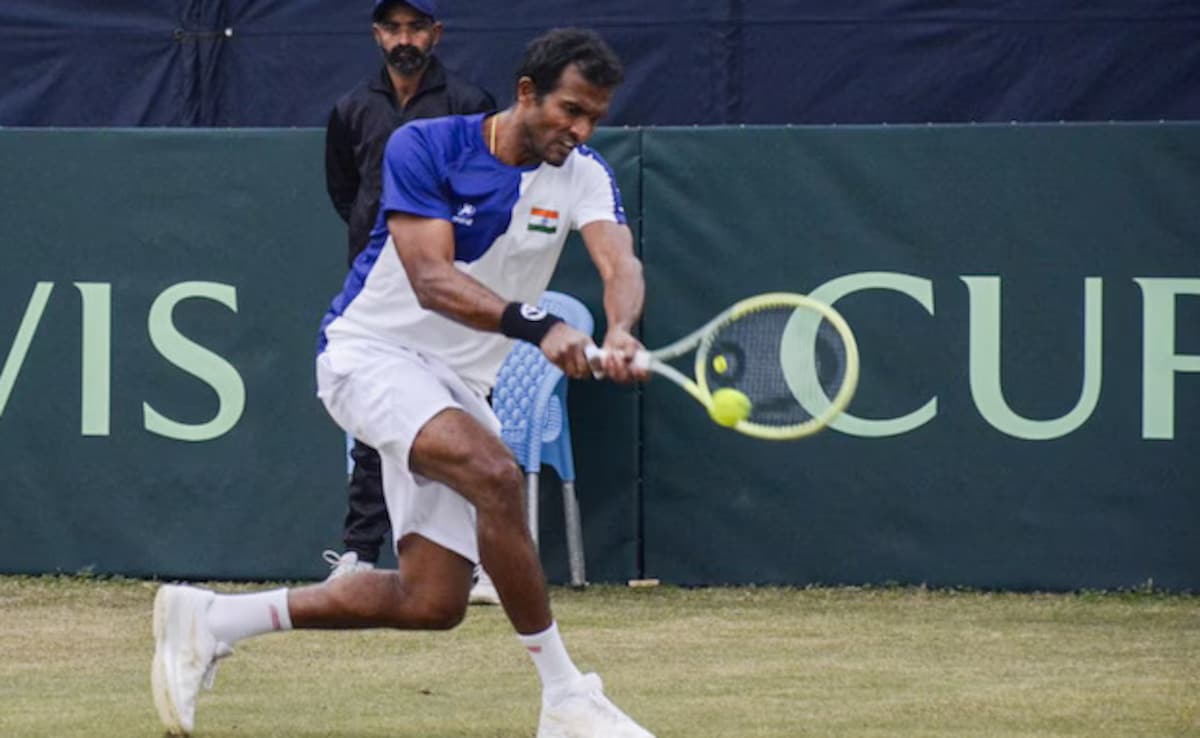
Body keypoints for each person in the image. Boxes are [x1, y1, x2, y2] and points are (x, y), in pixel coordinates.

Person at [151, 28, 656, 738]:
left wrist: (621, 329)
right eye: (570, 110)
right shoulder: (424, 147)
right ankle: (567, 697)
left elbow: (618, 263)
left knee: (433, 601)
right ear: (525, 94)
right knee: (496, 475)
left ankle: (214, 620)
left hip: (457, 384)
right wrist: (541, 328)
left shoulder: (586, 174)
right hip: (371, 353)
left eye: (594, 118)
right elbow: (430, 280)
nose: (579, 130)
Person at [322, 0, 502, 605]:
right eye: (394, 28)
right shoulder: (351, 109)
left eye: (416, 27)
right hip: (381, 299)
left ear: (436, 34)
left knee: (469, 425)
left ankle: (478, 562)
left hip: (454, 293)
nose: (405, 39)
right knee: (375, 431)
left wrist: (436, 262)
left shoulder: (470, 104)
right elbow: (347, 194)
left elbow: (490, 189)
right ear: (377, 34)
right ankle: (360, 555)